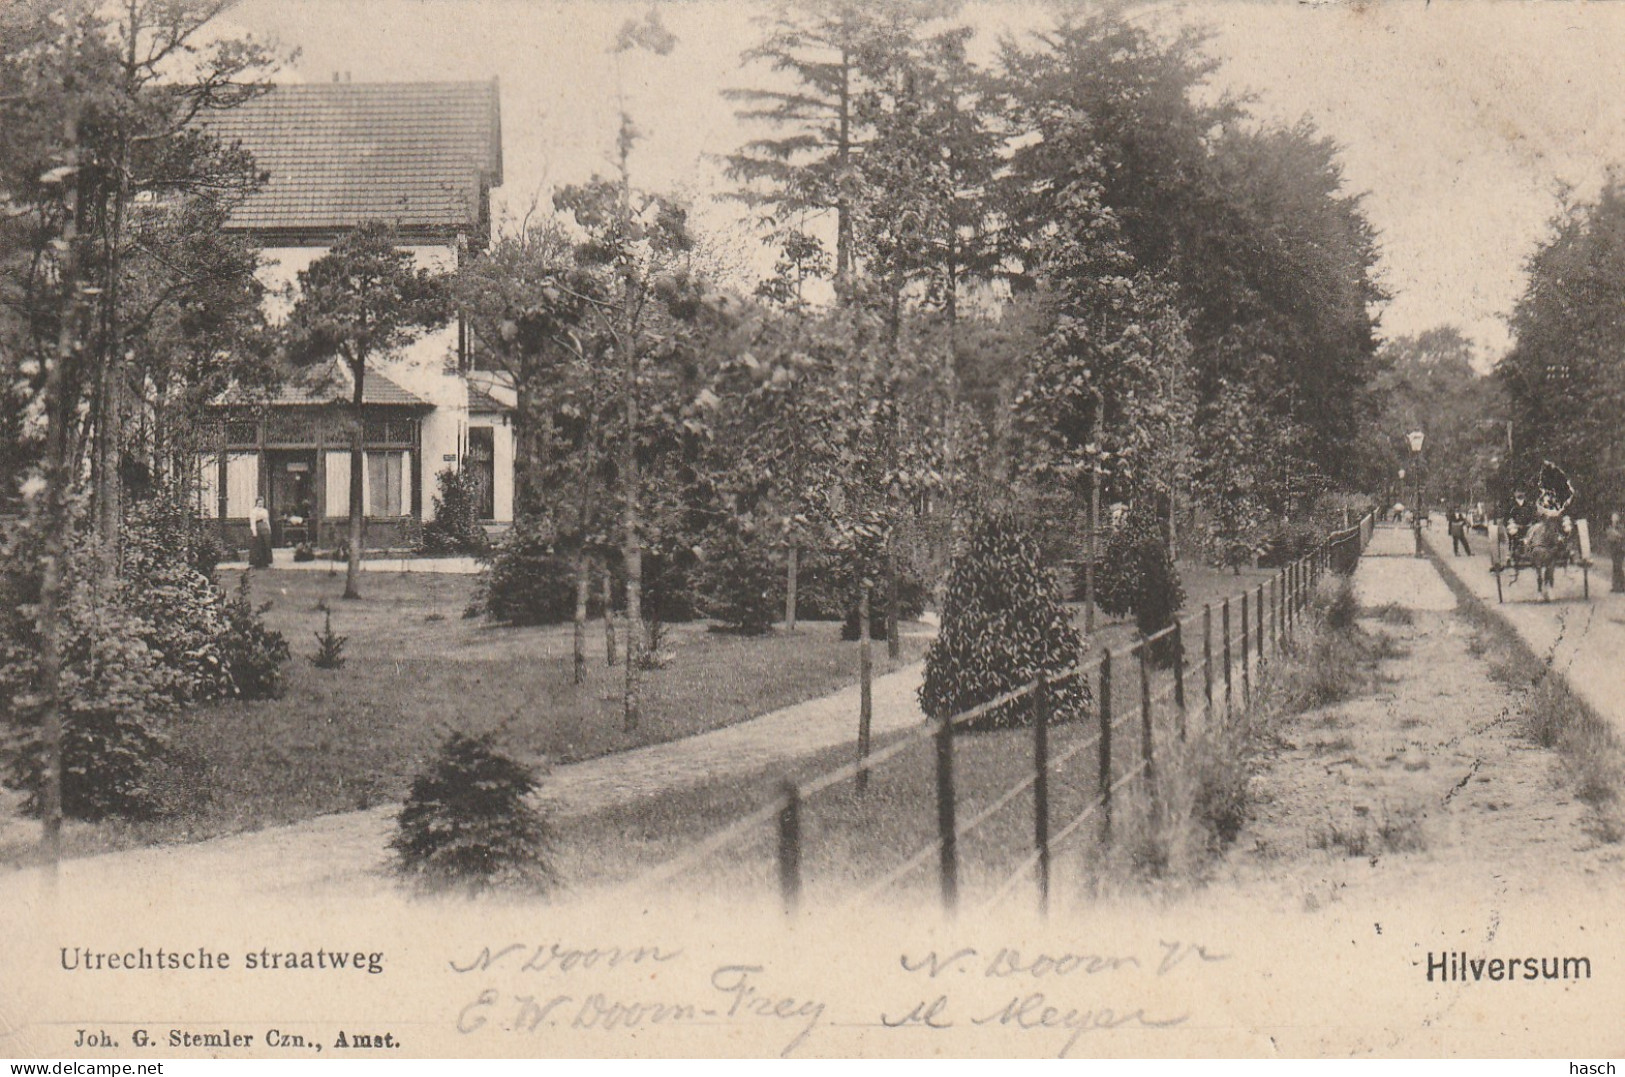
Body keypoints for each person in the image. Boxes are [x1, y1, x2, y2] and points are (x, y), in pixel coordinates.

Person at [248, 496, 273, 568]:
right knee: (258, 544)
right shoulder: (254, 511)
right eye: (259, 503)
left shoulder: (265, 511)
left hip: (265, 528)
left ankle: (266, 562)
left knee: (266, 544)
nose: (260, 504)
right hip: (258, 527)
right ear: (256, 503)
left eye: (262, 503)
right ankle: (257, 562)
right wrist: (254, 531)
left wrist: (269, 528)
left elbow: (267, 520)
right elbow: (252, 521)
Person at [1607, 511, 1625, 594]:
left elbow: (1622, 536)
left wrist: (1616, 534)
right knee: (1615, 567)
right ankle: (1615, 586)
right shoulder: (1610, 528)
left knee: (1619, 567)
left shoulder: (1620, 527)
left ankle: (1622, 586)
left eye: (1615, 518)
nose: (1614, 520)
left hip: (1620, 549)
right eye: (1613, 518)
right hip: (1613, 549)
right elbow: (1609, 537)